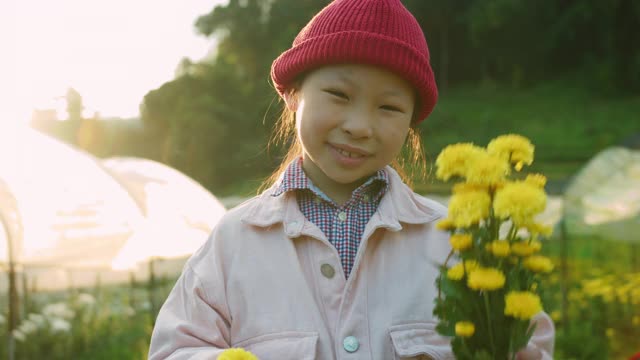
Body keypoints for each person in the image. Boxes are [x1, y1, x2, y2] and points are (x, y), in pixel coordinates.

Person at [148, 0, 555, 359]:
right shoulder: (234, 240)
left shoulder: (458, 243)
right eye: (339, 95)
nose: (360, 126)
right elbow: (175, 349)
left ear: (411, 122)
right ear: (292, 94)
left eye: (389, 107)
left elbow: (525, 345)